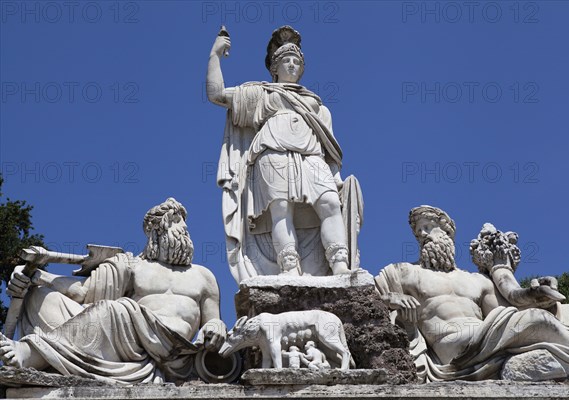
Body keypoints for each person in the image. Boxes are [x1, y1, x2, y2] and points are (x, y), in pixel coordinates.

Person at [0, 198, 227, 384]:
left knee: (116, 309)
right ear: (155, 233)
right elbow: (82, 293)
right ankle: (37, 352)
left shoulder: (203, 275)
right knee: (41, 297)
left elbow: (213, 321)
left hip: (176, 350)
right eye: (174, 221)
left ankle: (30, 354)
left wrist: (216, 326)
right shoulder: (133, 266)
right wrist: (38, 278)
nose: (183, 228)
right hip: (130, 343)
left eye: (182, 222)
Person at [207, 26, 362, 283]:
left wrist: (337, 177)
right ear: (274, 68)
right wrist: (215, 55)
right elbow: (217, 95)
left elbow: (330, 149)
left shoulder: (317, 104)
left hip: (311, 155)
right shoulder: (262, 93)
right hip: (272, 153)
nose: (292, 65)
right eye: (286, 61)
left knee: (331, 204)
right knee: (280, 210)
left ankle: (340, 265)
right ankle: (289, 268)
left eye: (296, 62)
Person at [375, 205, 569, 382]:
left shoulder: (476, 280)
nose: (422, 234)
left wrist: (536, 294)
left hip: (487, 337)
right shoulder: (403, 272)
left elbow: (507, 311)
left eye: (427, 226)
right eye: (417, 232)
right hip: (452, 346)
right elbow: (369, 300)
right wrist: (391, 298)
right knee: (536, 319)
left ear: (447, 231)